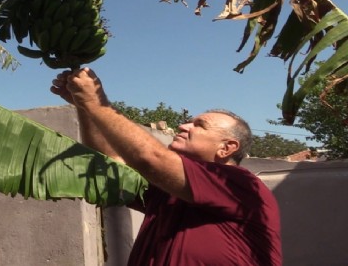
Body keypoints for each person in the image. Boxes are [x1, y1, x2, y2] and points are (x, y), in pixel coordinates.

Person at [50, 67, 282, 265]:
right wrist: (84, 106)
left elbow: (150, 158)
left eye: (199, 125)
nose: (183, 126)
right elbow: (111, 164)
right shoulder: (169, 192)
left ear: (226, 148)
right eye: (188, 121)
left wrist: (97, 102)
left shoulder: (240, 185)